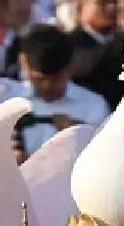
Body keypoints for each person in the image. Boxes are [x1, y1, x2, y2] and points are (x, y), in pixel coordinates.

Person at [9, 26, 109, 158]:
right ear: (23, 62)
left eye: (56, 79)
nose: (47, 86)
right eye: (39, 79)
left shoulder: (94, 107)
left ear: (72, 65)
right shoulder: (7, 102)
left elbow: (104, 158)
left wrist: (80, 137)